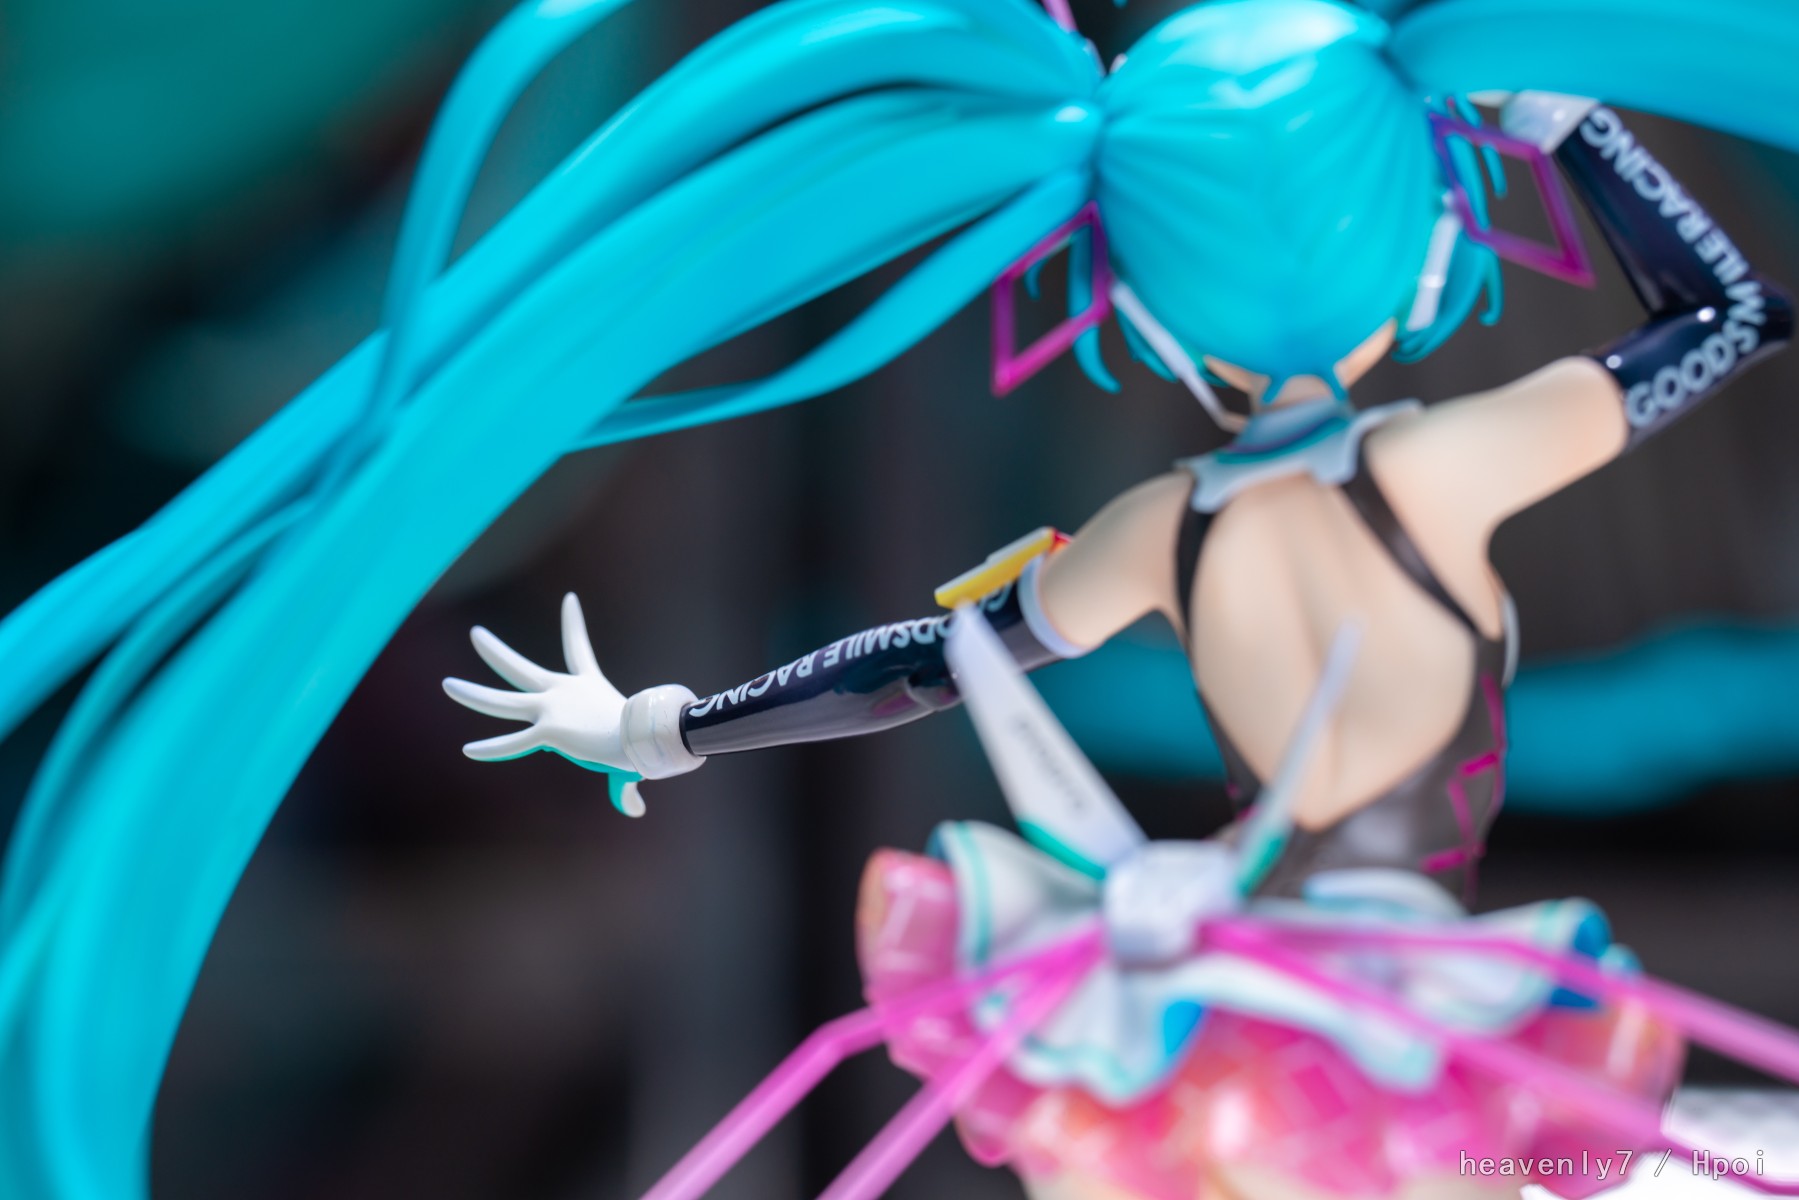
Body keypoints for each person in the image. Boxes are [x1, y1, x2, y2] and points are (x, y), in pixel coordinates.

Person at [4, 1, 1796, 1196]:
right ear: (1425, 251)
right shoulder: (1450, 466)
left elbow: (926, 666)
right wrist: (1572, 122)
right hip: (1384, 1004)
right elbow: (1725, 314)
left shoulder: (1161, 531)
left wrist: (667, 726)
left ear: (1138, 307)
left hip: (1188, 1000)